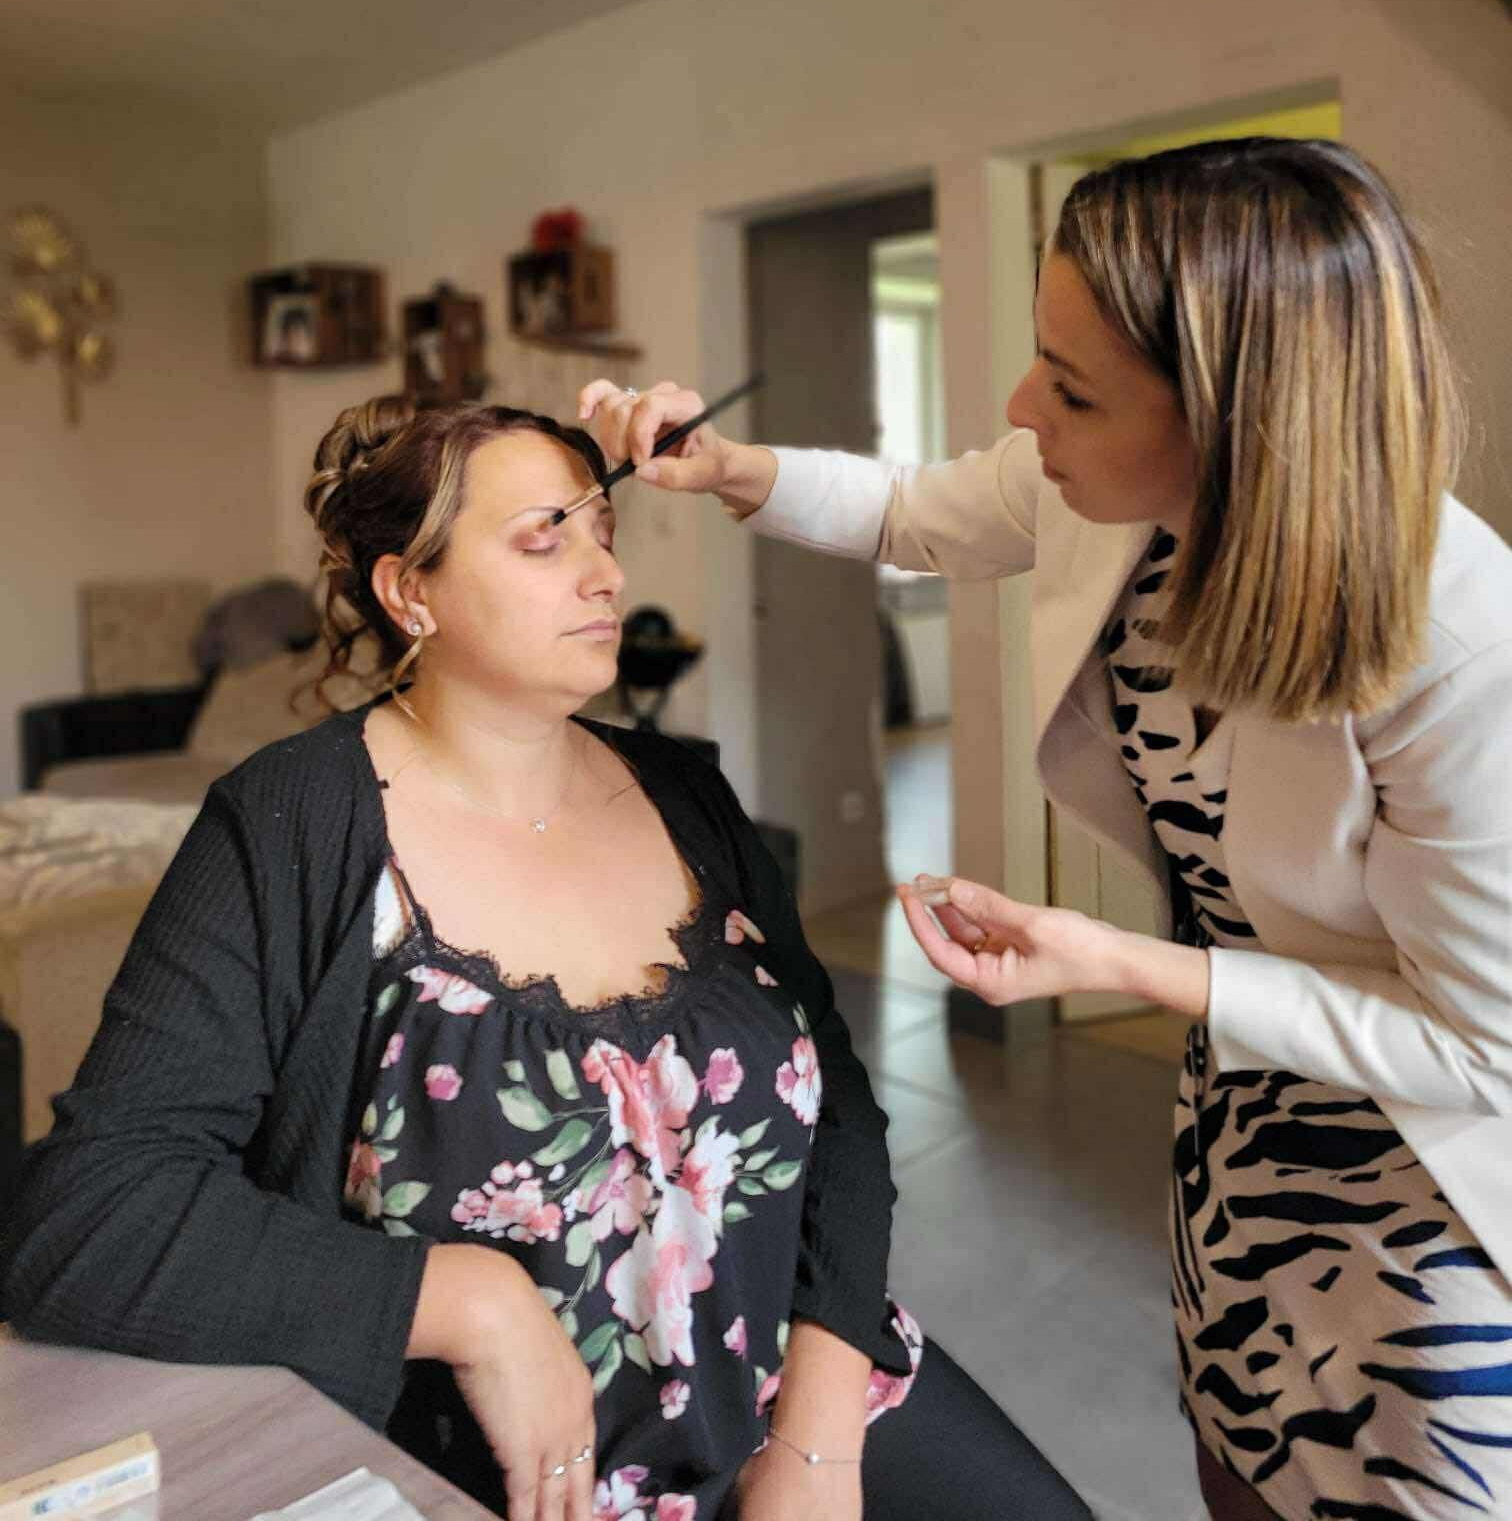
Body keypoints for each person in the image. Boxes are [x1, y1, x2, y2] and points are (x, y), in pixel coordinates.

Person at [577, 137, 1512, 1521]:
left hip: (1428, 1189)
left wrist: (1123, 964)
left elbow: (1482, 1041)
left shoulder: (1457, 638)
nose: (1024, 410)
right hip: (1240, 1122)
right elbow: (906, 508)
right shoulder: (1118, 511)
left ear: (1237, 417)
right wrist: (726, 466)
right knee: (1238, 1462)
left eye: (1069, 389)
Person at [0, 395, 1092, 1521]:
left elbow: (842, 1115)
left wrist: (815, 1438)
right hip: (531, 1473)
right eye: (544, 540)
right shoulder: (294, 825)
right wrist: (466, 1301)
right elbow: (87, 1216)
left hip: (801, 1381)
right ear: (408, 590)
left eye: (603, 536)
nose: (606, 577)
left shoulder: (689, 795)